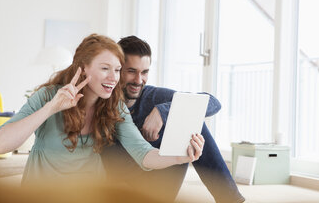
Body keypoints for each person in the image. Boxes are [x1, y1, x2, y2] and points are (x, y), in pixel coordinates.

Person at [0, 34, 204, 185]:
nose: (114, 78)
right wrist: (51, 108)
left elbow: (143, 153)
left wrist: (180, 157)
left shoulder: (114, 105)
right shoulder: (48, 96)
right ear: (83, 67)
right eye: (105, 68)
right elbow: (1, 144)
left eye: (117, 70)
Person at [101, 36, 245, 203]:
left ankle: (230, 199)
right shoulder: (101, 101)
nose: (139, 80)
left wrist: (162, 111)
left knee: (194, 120)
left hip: (158, 183)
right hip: (116, 187)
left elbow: (213, 102)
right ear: (118, 69)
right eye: (131, 71)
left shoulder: (153, 96)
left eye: (145, 72)